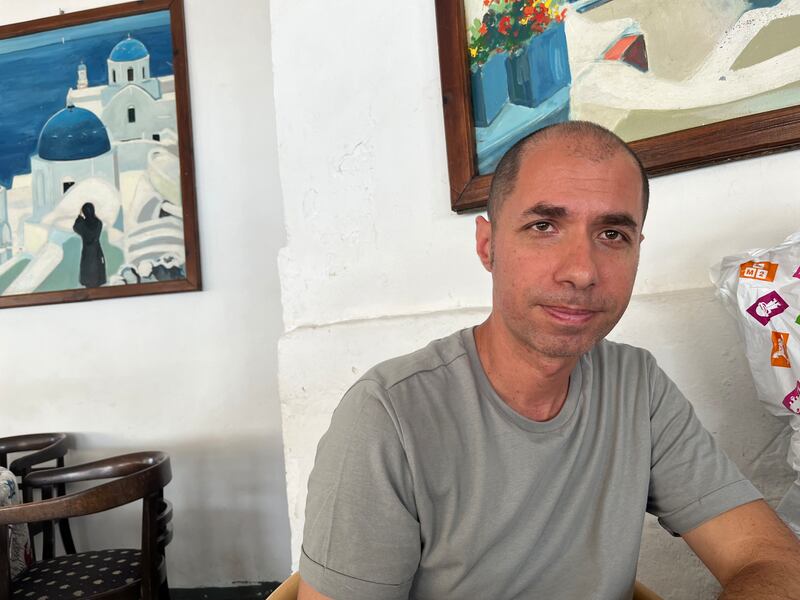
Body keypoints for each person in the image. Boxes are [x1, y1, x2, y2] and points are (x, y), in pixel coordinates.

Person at [297, 122, 800, 599]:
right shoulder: (389, 416)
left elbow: (770, 559)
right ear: (487, 244)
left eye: (612, 235)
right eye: (543, 225)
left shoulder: (637, 388)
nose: (582, 271)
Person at [72, 202, 107, 288]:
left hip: (87, 252)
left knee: (87, 272)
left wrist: (80, 216)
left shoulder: (83, 225)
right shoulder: (99, 223)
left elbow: (75, 227)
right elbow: (96, 219)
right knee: (98, 272)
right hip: (97, 250)